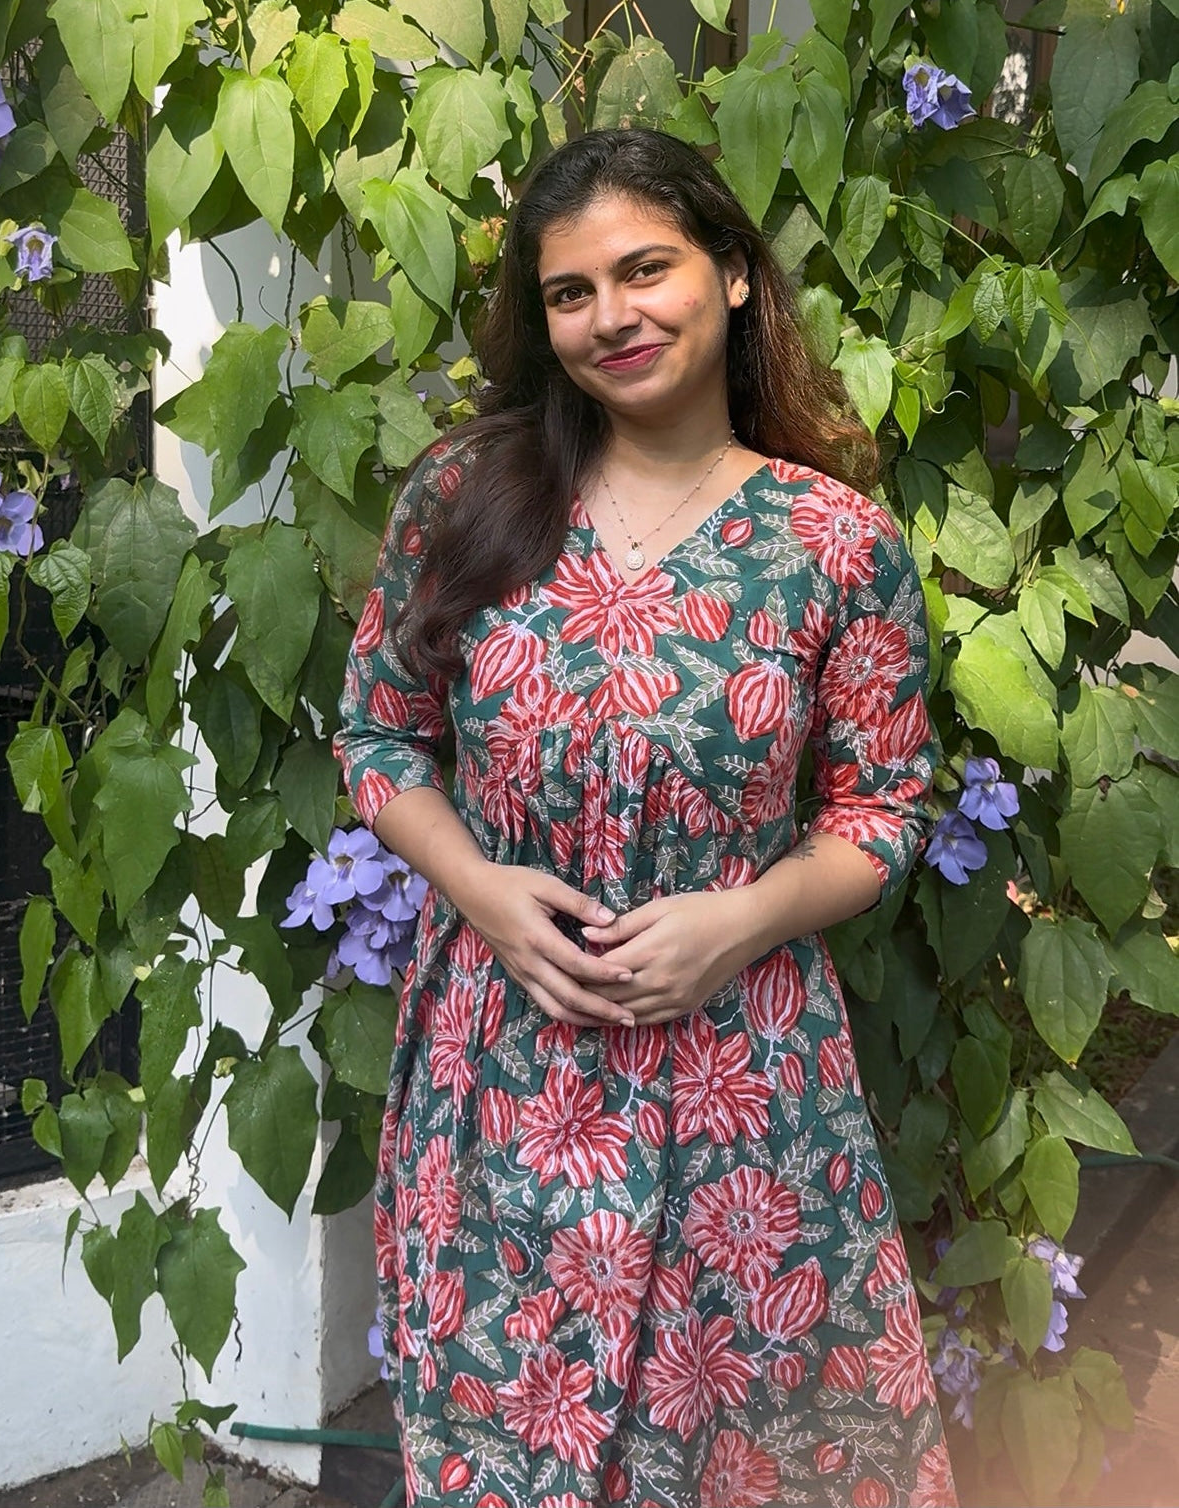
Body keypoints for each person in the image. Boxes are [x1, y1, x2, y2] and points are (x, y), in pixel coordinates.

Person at [334, 127, 956, 1508]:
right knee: (513, 1452)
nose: (610, 316)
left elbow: (880, 804)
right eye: (569, 293)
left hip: (746, 1077)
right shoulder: (466, 494)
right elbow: (379, 737)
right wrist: (485, 893)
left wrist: (745, 920)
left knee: (756, 1452)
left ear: (731, 275)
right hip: (503, 1076)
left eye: (645, 270)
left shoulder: (832, 543)